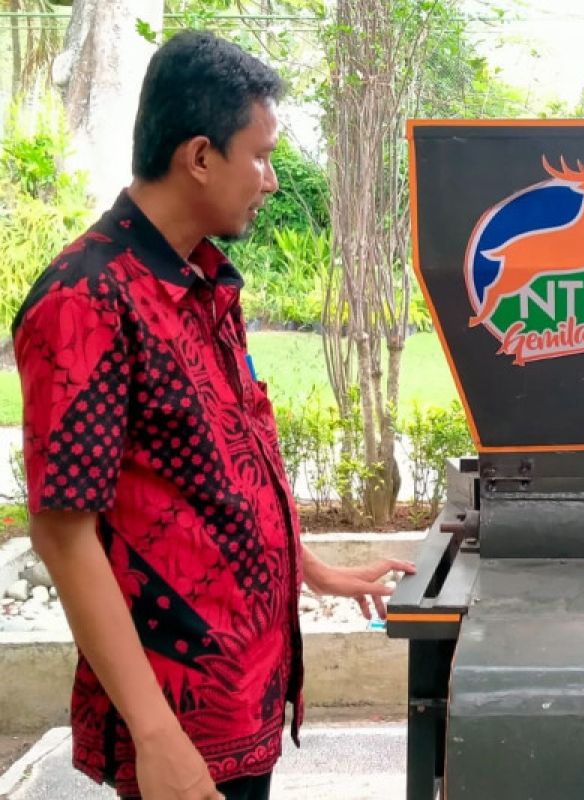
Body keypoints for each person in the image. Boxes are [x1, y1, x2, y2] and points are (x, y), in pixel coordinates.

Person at [12, 31, 413, 800]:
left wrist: (313, 568)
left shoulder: (199, 282)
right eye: (258, 155)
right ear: (200, 156)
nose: (267, 180)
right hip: (177, 710)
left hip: (245, 693)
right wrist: (157, 733)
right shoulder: (87, 301)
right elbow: (64, 535)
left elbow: (219, 471)